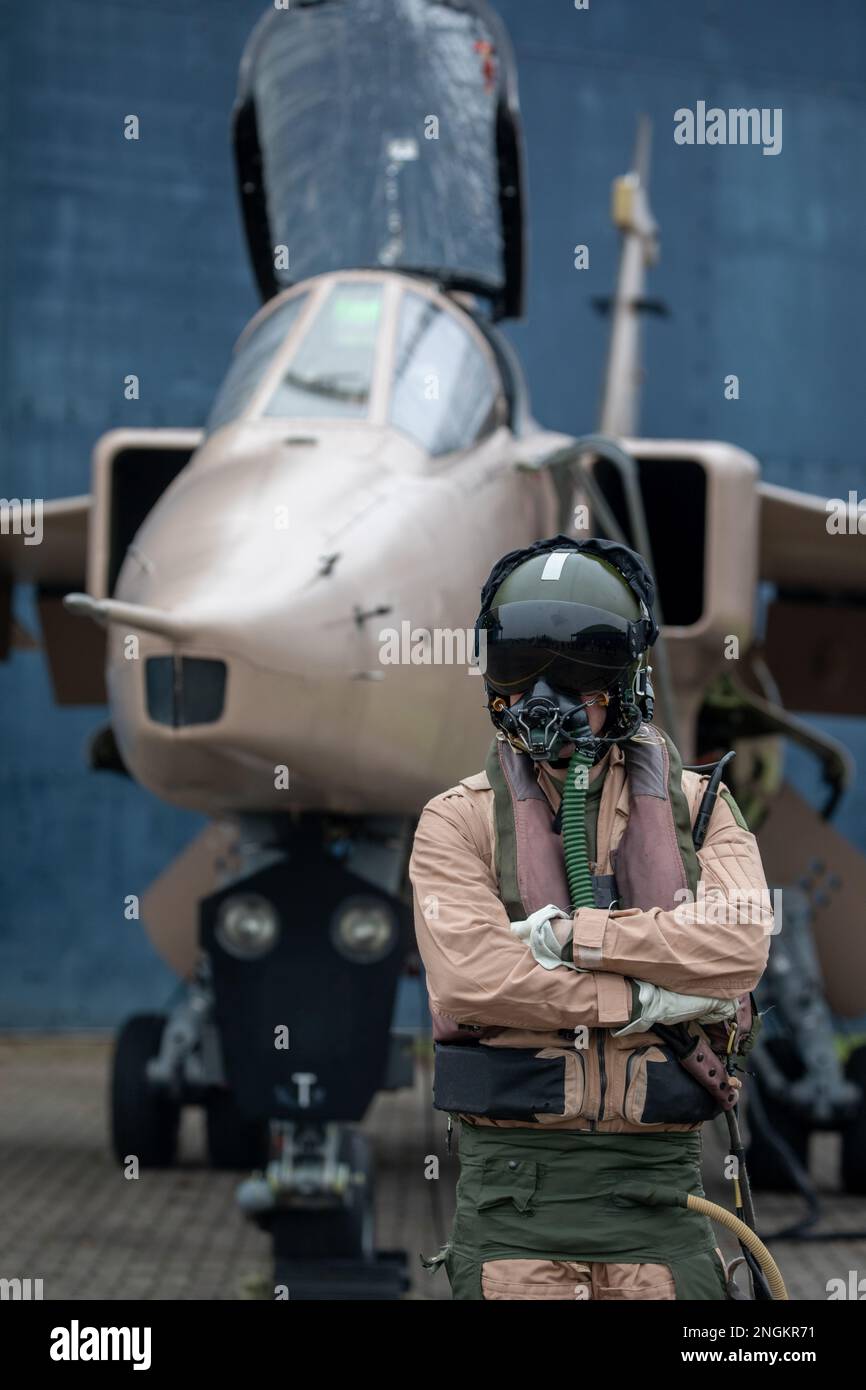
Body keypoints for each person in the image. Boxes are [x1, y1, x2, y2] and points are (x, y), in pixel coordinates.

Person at [409, 534, 772, 1300]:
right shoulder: (458, 821)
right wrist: (649, 998)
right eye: (521, 670)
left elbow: (738, 946)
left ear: (623, 680)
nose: (547, 698)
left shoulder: (698, 809)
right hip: (516, 1202)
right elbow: (474, 981)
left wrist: (580, 938)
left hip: (657, 1199)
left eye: (576, 673)